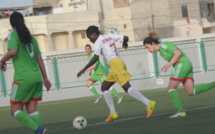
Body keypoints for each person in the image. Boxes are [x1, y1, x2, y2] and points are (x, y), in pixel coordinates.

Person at [77, 25, 156, 122]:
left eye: (90, 38)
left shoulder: (97, 42)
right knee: (104, 87)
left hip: (115, 65)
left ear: (94, 34)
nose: (90, 40)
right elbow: (125, 37)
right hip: (118, 63)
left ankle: (149, 103)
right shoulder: (109, 36)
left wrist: (83, 69)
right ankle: (113, 113)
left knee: (127, 87)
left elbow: (96, 57)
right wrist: (125, 42)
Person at [0, 12, 51, 133]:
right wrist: (45, 78)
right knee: (31, 108)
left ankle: (38, 130)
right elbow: (39, 59)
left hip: (23, 79)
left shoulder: (13, 34)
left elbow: (13, 51)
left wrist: (1, 60)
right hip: (37, 77)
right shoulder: (32, 39)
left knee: (15, 110)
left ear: (12, 23)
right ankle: (39, 132)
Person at [143, 32, 215, 118]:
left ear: (153, 43)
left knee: (171, 88)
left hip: (181, 64)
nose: (147, 49)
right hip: (186, 64)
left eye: (147, 47)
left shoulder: (163, 45)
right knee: (191, 91)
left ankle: (180, 111)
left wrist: (169, 64)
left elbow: (178, 53)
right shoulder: (161, 51)